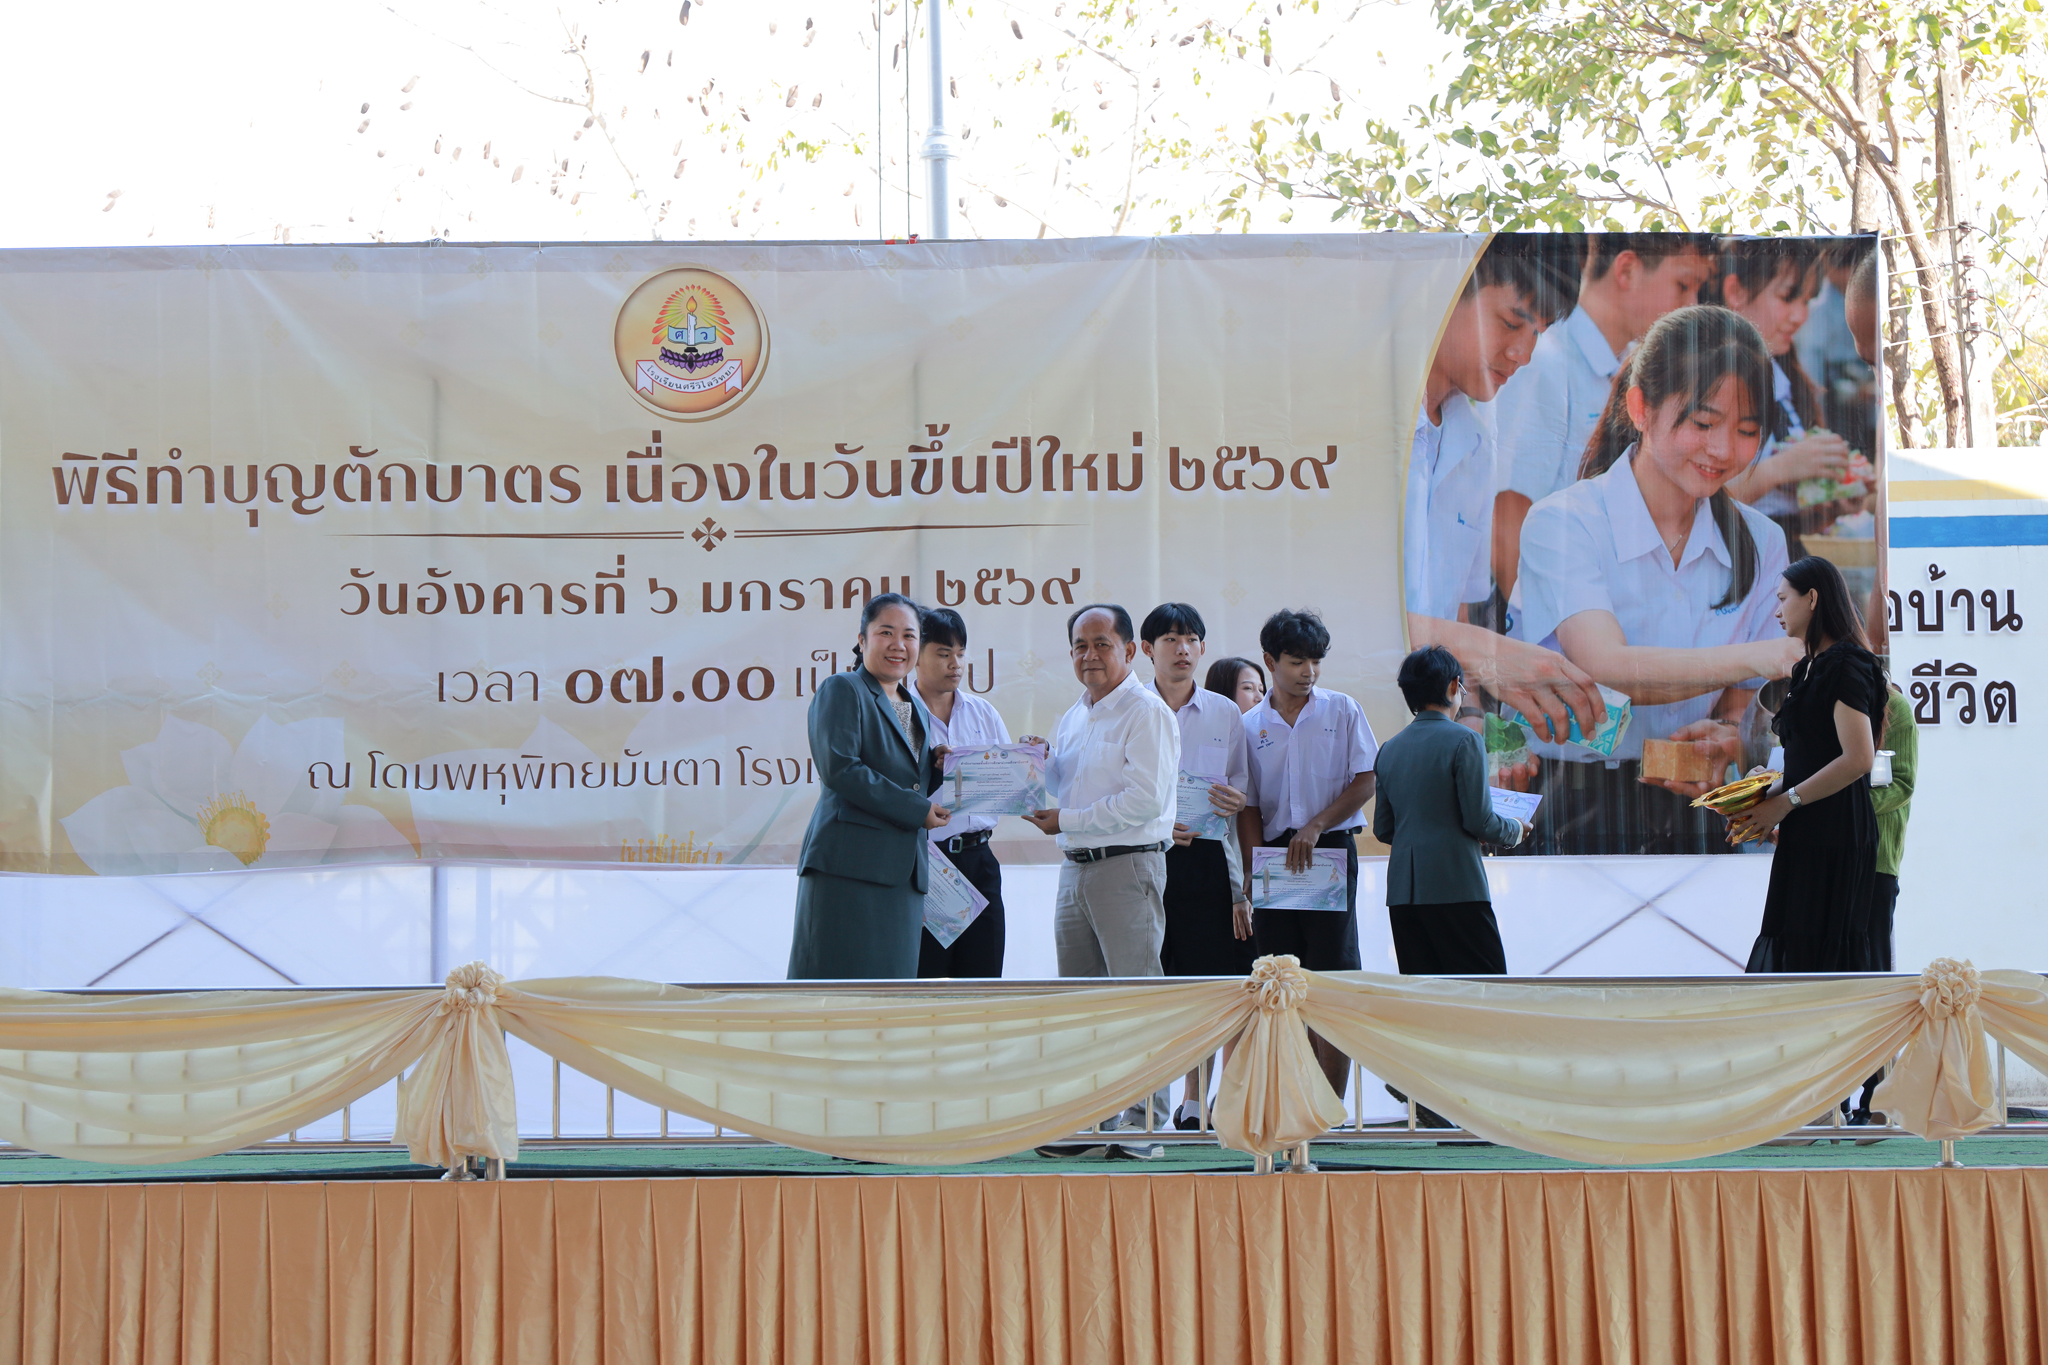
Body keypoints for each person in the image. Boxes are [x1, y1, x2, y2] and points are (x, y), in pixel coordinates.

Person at [1509, 306, 1805, 854]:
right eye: (1703, 423)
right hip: (1574, 806)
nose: (1723, 450)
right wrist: (1762, 656)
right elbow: (1606, 665)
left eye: (1746, 430)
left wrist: (1728, 736)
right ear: (1641, 408)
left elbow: (1746, 701)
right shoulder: (1564, 522)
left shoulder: (1762, 541)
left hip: (1701, 809)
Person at [1402, 232, 1607, 747]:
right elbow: (1350, 605)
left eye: (1538, 332)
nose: (1523, 353)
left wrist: (1470, 713)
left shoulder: (1476, 443)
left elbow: (1456, 609)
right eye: (1511, 322)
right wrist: (1489, 654)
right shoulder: (1362, 430)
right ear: (1443, 297)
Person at [1027, 603, 1179, 1154]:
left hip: (1128, 865)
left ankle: (1144, 1124)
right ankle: (1091, 1117)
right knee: (1082, 1002)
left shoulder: (1146, 712)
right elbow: (1065, 783)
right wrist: (1031, 764)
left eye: (1101, 644)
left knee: (1137, 998)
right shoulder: (1075, 714)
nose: (1089, 655)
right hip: (1075, 868)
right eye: (1079, 646)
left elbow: (1144, 801)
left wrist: (1066, 819)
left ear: (1130, 650)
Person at [1491, 232, 1719, 599]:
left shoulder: (1634, 369)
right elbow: (1508, 517)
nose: (1691, 304)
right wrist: (1541, 623)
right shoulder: (1545, 363)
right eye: (1683, 285)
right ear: (1626, 269)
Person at [1236, 608, 1376, 1098]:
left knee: (1331, 977)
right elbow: (1249, 804)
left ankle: (1331, 1105)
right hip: (1274, 858)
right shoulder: (1248, 725)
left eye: (1315, 661)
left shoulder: (1342, 710)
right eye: (1297, 661)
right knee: (1278, 976)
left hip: (1330, 851)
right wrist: (1253, 867)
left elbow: (1366, 779)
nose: (1308, 672)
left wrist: (1317, 825)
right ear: (1270, 661)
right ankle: (1293, 1098)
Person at [1730, 556, 1887, 975]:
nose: (1777, 611)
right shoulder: (1808, 669)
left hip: (1836, 830)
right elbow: (1814, 756)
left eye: (1783, 599)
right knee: (1795, 947)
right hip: (1805, 826)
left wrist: (1784, 803)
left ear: (1812, 598)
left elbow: (1858, 758)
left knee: (1822, 957)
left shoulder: (1846, 664)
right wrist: (1762, 795)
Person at [788, 592, 950, 980]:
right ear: (862, 641)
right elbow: (841, 769)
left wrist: (938, 767)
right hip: (850, 872)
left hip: (903, 876)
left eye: (909, 636)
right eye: (886, 632)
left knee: (889, 999)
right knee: (837, 995)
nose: (899, 645)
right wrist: (917, 810)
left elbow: (907, 779)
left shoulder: (914, 707)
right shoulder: (843, 688)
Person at [1140, 603, 1256, 1131]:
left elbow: (1240, 787)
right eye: (1170, 639)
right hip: (1143, 855)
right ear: (1147, 650)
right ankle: (1142, 1105)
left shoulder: (1224, 713)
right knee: (1154, 982)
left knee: (1208, 981)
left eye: (1190, 639)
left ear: (1202, 648)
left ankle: (1194, 1103)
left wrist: (1236, 799)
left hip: (1206, 858)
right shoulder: (1132, 707)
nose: (1182, 649)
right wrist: (1161, 824)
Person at [1374, 645, 1528, 974]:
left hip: (1402, 895)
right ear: (1453, 686)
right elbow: (1479, 821)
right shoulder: (1465, 740)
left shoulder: (1389, 749)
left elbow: (1384, 829)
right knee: (1483, 989)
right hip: (1457, 887)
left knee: (1425, 994)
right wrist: (1515, 829)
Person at [1706, 238, 1854, 556]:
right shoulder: (1706, 380)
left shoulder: (1785, 378)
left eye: (1806, 300)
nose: (1800, 316)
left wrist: (1830, 496)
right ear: (1735, 292)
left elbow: (1790, 511)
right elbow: (1694, 503)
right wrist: (1782, 469)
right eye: (1788, 297)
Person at [911, 606, 1009, 979]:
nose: (955, 664)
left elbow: (1007, 785)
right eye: (943, 653)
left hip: (979, 860)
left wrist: (1028, 761)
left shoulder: (983, 712)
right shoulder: (899, 715)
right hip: (926, 865)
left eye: (961, 654)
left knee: (984, 979)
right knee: (927, 982)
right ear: (916, 657)